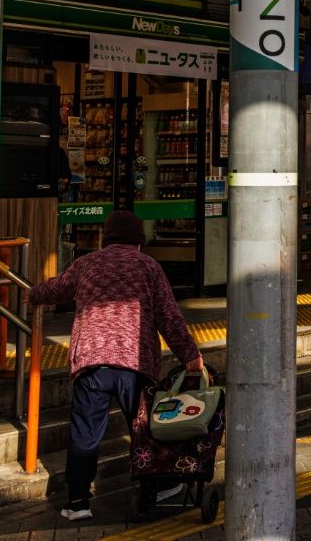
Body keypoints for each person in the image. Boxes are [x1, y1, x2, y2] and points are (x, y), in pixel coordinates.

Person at [28, 210, 204, 521]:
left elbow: (55, 289)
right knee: (145, 430)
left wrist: (31, 293)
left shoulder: (87, 263)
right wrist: (189, 354)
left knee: (85, 433)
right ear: (138, 242)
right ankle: (156, 489)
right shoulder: (148, 265)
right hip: (134, 362)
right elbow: (168, 315)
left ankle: (78, 502)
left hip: (92, 361)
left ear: (106, 239)